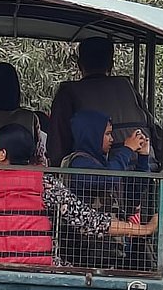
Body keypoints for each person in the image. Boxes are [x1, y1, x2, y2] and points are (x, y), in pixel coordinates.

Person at [0, 124, 156, 267]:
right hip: (40, 268)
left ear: (2, 154)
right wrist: (143, 229)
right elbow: (89, 221)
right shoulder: (46, 184)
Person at [60, 109, 154, 269]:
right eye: (107, 134)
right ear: (92, 135)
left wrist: (143, 158)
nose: (112, 139)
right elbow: (106, 179)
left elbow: (132, 194)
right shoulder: (78, 163)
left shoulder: (105, 164)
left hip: (113, 246)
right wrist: (127, 149)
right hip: (88, 250)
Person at [47, 37, 153, 166]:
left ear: (80, 64)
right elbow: (153, 129)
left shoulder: (69, 92)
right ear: (111, 64)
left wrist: (58, 169)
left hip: (103, 174)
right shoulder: (127, 87)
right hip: (144, 167)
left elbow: (57, 142)